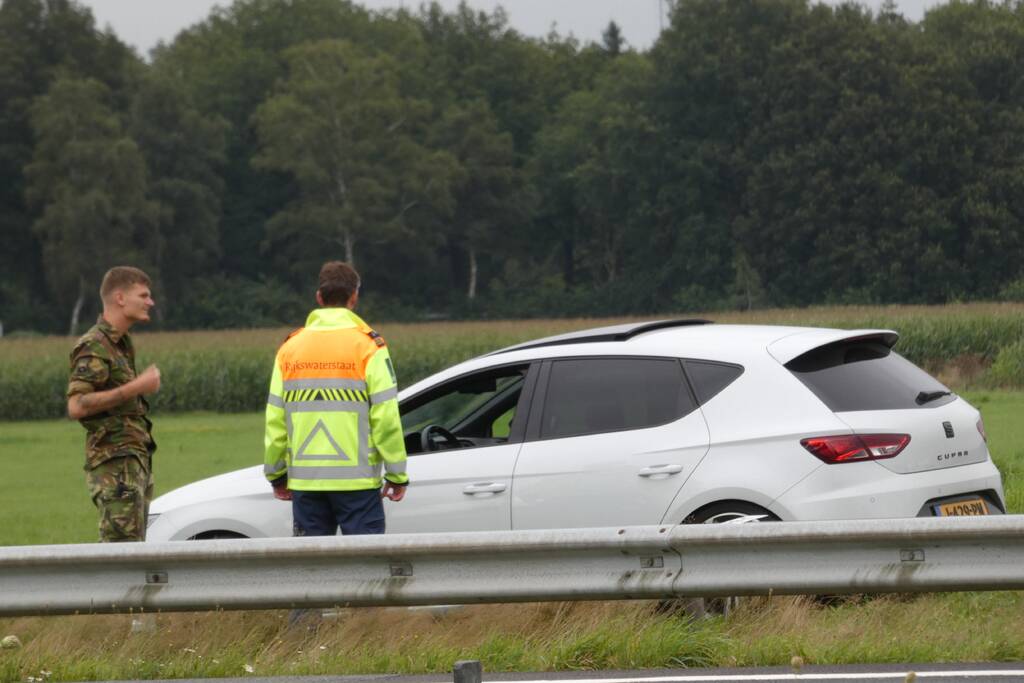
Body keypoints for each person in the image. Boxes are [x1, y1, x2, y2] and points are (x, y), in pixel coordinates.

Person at [264, 261, 408, 537]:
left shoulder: (289, 348)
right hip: (358, 483)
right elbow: (386, 416)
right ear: (354, 297)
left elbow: (275, 418)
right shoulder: (369, 346)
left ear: (319, 298)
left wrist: (276, 473)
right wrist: (397, 473)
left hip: (306, 485)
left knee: (315, 573)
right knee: (367, 572)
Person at [67, 266, 161, 542]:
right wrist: (136, 387)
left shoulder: (121, 344)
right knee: (121, 556)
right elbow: (77, 405)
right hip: (115, 468)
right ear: (120, 298)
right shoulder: (94, 345)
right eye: (143, 295)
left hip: (132, 464)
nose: (150, 302)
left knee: (132, 552)